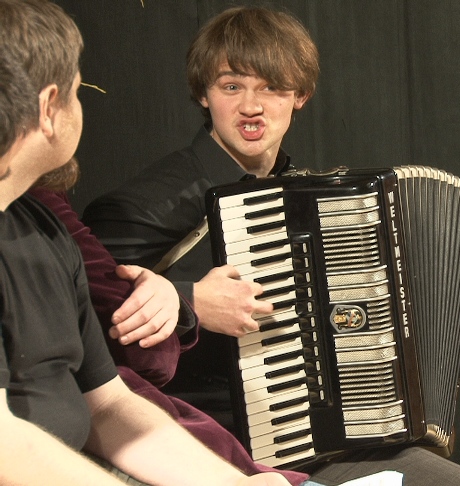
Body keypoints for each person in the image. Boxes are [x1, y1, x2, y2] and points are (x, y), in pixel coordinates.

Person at [82, 6, 460, 485]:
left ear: (300, 96)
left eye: (272, 88)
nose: (251, 106)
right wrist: (189, 302)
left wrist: (442, 323)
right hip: (199, 446)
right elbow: (84, 325)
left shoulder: (307, 198)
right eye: (231, 86)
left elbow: (345, 319)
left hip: (312, 440)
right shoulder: (145, 203)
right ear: (202, 93)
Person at [0, 1, 297, 484]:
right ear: (49, 108)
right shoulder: (126, 208)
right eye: (78, 92)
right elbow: (5, 446)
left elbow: (109, 403)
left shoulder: (47, 227)